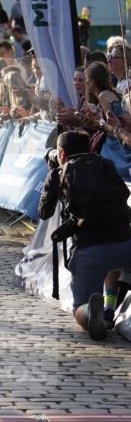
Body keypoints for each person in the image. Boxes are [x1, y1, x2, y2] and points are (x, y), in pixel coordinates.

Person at [38, 130, 131, 340]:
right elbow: (123, 194)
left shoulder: (59, 174)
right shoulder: (106, 165)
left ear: (62, 153)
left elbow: (44, 212)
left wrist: (54, 178)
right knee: (112, 262)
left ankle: (90, 310)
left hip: (89, 249)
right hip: (125, 242)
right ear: (89, 148)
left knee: (79, 309)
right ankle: (109, 308)